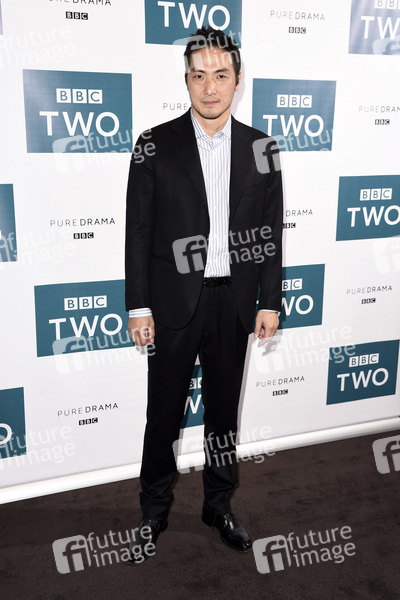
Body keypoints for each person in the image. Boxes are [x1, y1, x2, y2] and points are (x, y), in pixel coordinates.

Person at [125, 26, 283, 563]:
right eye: (199, 76)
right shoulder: (153, 144)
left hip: (233, 304)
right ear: (186, 80)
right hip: (172, 305)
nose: (209, 87)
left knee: (223, 415)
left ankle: (218, 505)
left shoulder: (262, 147)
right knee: (163, 415)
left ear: (237, 80)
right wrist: (139, 305)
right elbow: (138, 231)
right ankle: (153, 511)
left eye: (220, 75)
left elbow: (270, 230)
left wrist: (269, 300)